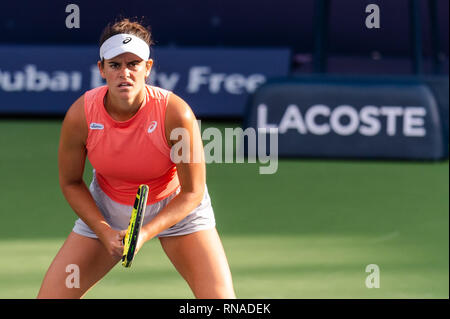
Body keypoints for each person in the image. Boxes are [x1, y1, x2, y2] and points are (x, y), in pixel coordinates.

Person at [37, 18, 236, 299]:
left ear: (148, 68)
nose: (125, 73)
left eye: (133, 64)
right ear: (101, 69)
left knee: (221, 301)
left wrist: (144, 232)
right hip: (106, 208)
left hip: (176, 207)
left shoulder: (176, 114)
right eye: (115, 65)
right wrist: (103, 230)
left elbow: (193, 191)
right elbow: (70, 182)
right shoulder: (80, 115)